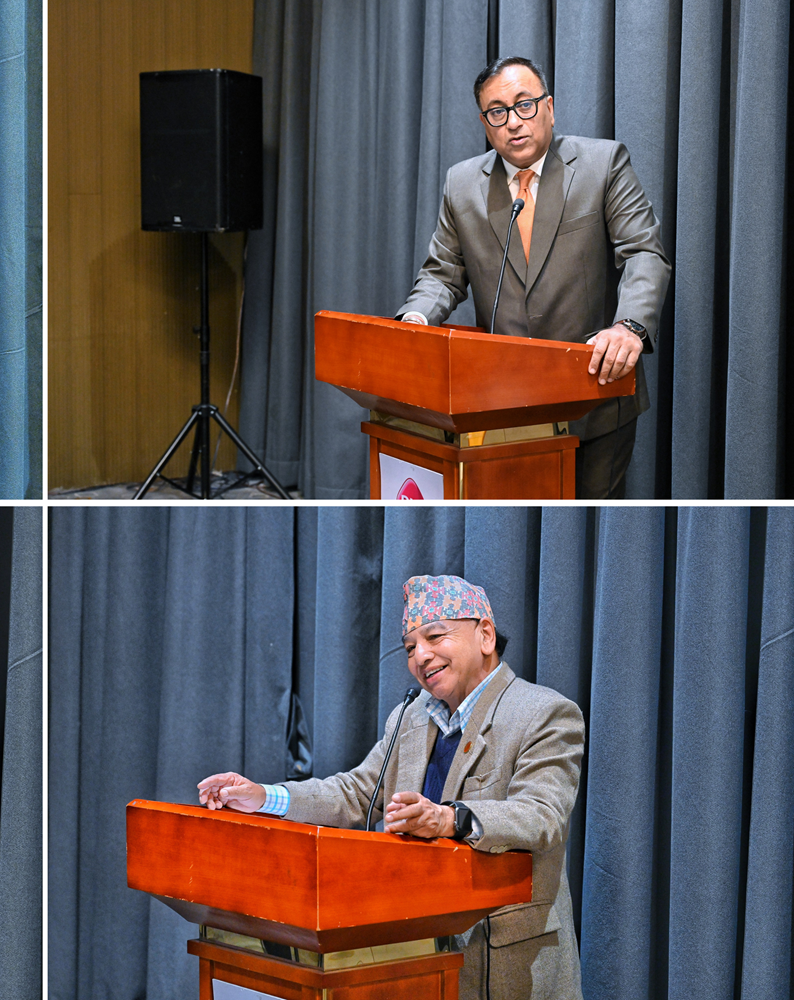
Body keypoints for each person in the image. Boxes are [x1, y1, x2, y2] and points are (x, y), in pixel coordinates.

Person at [197, 575, 584, 1000]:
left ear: (485, 635)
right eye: (410, 647)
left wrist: (447, 819)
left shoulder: (544, 713)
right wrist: (264, 796)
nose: (421, 656)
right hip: (410, 958)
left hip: (502, 964)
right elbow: (357, 793)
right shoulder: (411, 716)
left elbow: (542, 814)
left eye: (435, 636)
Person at [396, 57, 671, 499]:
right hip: (503, 407)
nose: (513, 122)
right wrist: (414, 321)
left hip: (593, 395)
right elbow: (442, 275)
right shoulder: (461, 184)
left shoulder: (603, 163)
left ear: (550, 108)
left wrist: (629, 326)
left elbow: (643, 252)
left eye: (524, 105)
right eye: (497, 112)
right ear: (485, 123)